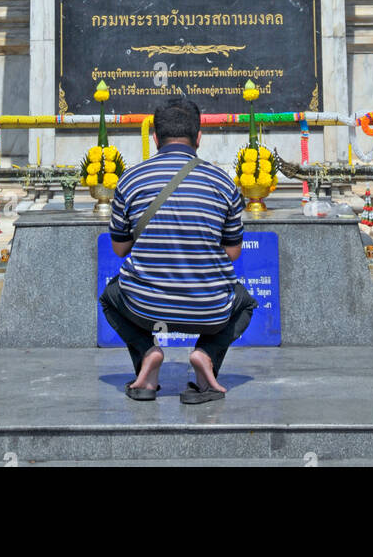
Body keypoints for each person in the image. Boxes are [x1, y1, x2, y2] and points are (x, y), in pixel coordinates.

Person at [100, 98, 257, 403]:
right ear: (199, 137)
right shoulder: (223, 183)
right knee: (245, 304)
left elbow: (120, 249)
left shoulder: (130, 180)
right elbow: (234, 253)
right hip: (209, 310)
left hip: (144, 308)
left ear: (155, 138)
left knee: (110, 297)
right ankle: (206, 357)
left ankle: (148, 358)